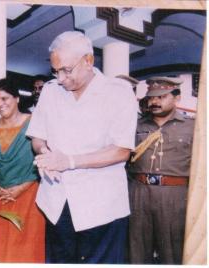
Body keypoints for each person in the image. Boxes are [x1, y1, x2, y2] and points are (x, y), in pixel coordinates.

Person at [26, 31, 138, 264]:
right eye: (55, 71)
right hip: (57, 201)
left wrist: (69, 162)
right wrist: (45, 155)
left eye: (67, 70)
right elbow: (37, 137)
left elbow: (121, 150)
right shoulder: (50, 91)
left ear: (89, 61)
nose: (60, 79)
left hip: (101, 205)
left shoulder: (118, 92)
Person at [0, 78, 45, 263]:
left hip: (29, 197)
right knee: (2, 249)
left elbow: (44, 162)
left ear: (17, 98)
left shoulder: (34, 124)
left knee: (28, 248)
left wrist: (22, 187)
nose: (0, 104)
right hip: (1, 198)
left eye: (4, 98)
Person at [127, 76, 194, 264]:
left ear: (177, 97)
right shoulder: (136, 125)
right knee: (136, 250)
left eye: (161, 96)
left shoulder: (193, 127)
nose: (154, 102)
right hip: (139, 192)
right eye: (151, 97)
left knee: (172, 251)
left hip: (175, 195)